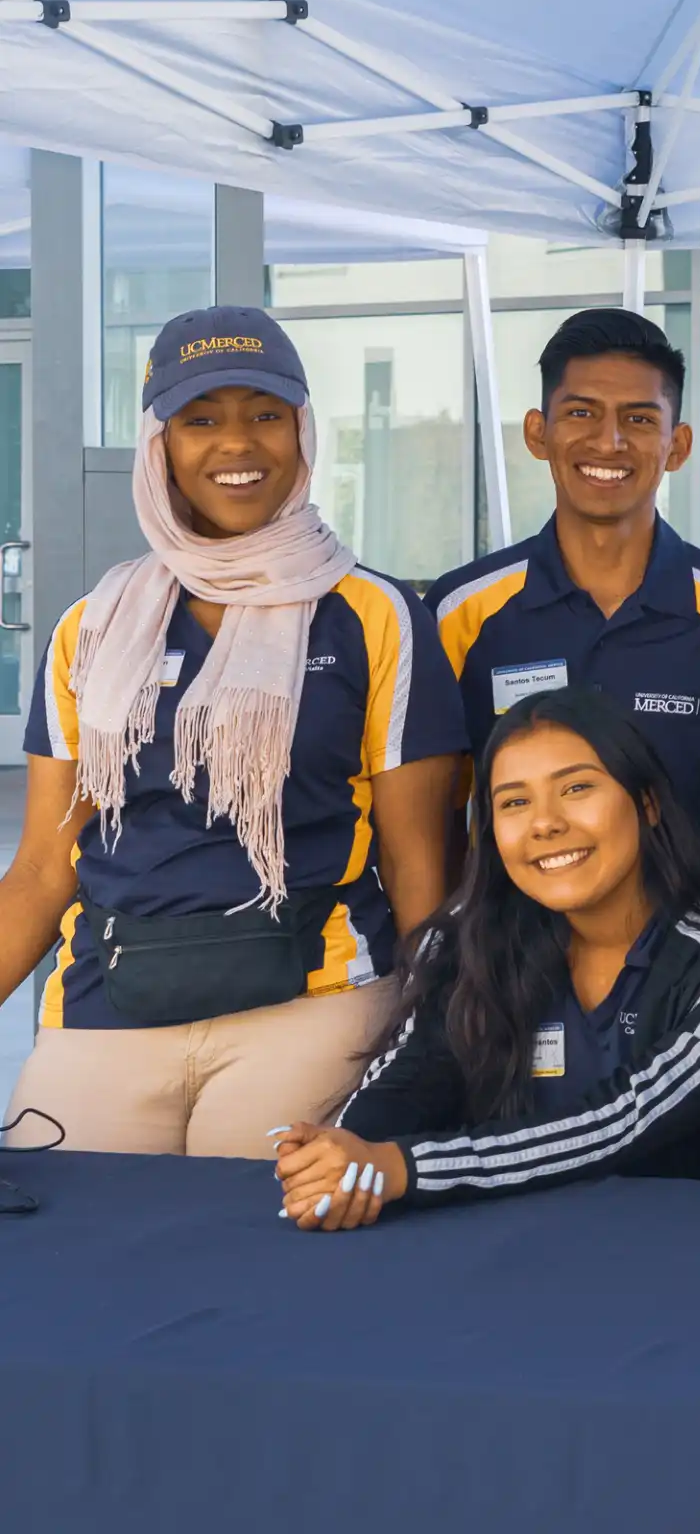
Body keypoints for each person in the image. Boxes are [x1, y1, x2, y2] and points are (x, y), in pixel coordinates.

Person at [0, 307, 465, 1158]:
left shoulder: (374, 614)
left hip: (310, 1000)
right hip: (111, 1001)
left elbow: (415, 863)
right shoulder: (93, 626)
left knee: (255, 1246)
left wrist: (434, 1036)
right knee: (63, 1248)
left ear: (303, 429)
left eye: (265, 414)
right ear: (160, 446)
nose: (237, 444)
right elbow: (40, 867)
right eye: (201, 420)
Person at [273, 687, 700, 1226]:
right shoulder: (468, 940)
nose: (544, 823)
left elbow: (622, 1121)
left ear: (647, 803)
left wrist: (403, 1167)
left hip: (693, 1264)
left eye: (576, 788)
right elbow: (409, 1078)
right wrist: (339, 1156)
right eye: (515, 802)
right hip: (509, 1262)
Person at [429, 309, 700, 848]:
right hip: (508, 932)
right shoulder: (460, 612)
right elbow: (431, 819)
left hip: (687, 930)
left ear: (678, 446)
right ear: (538, 433)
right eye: (581, 412)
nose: (609, 442)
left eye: (640, 419)